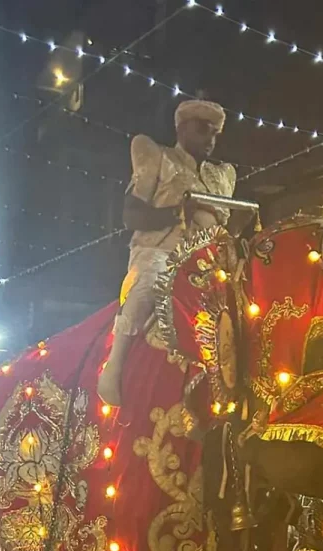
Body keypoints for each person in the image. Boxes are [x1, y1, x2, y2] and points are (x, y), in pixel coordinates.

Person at [98, 99, 238, 407]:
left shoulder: (222, 175)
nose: (210, 140)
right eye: (203, 131)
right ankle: (114, 365)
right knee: (150, 284)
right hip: (159, 251)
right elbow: (131, 215)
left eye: (214, 134)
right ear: (182, 129)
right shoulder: (157, 157)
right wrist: (178, 213)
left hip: (208, 261)